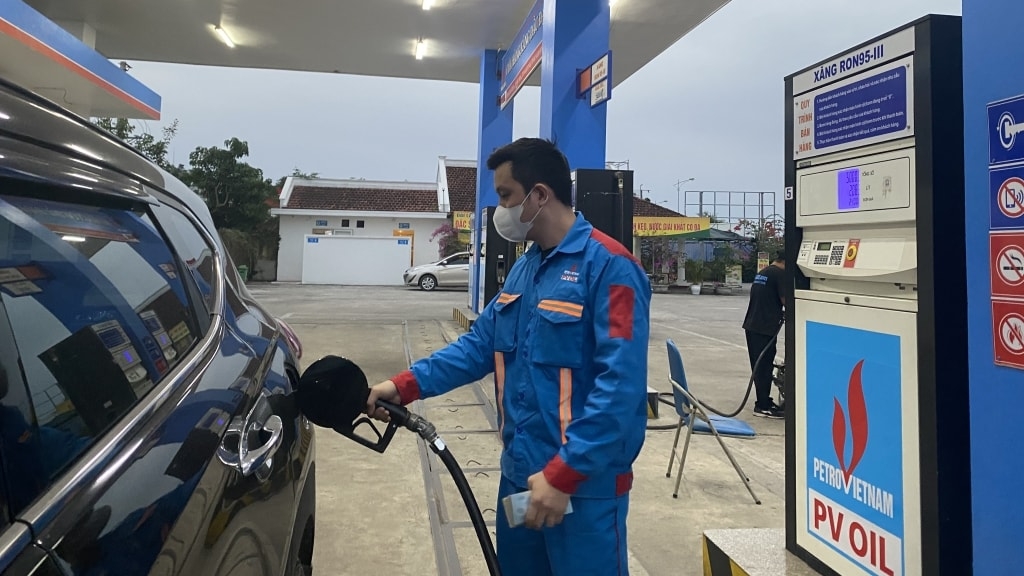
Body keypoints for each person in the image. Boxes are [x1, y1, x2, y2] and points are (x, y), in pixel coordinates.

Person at [366, 137, 651, 575]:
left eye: (505, 195)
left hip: (581, 488)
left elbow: (620, 390)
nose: (500, 209)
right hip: (521, 477)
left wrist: (564, 474)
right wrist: (402, 386)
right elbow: (479, 346)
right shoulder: (526, 267)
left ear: (539, 195)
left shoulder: (612, 268)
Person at [741, 251, 786, 419]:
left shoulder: (764, 272)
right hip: (764, 327)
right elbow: (786, 300)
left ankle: (764, 401)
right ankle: (763, 406)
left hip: (753, 325)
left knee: (759, 367)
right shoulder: (779, 274)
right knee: (764, 367)